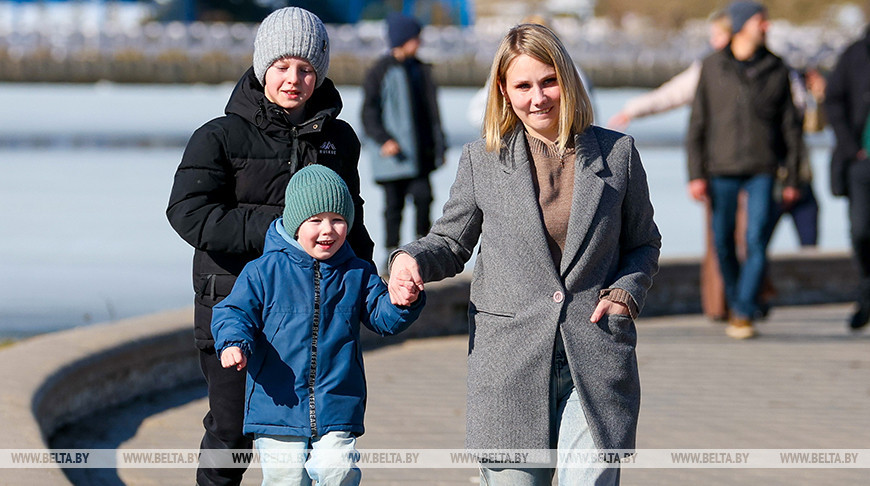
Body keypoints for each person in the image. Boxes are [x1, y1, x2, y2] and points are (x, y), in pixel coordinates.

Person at [389, 23, 661, 485]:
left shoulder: (618, 154)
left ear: (567, 80)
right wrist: (409, 259)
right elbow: (450, 242)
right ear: (503, 90)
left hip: (595, 356)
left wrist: (624, 294)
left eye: (549, 81)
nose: (538, 98)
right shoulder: (481, 159)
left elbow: (643, 243)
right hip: (508, 364)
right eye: (523, 86)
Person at [166, 7, 374, 485]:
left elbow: (352, 219)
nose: (293, 79)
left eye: (306, 68)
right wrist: (279, 230)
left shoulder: (339, 140)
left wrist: (369, 284)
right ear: (263, 67)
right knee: (232, 432)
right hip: (233, 305)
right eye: (282, 66)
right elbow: (188, 213)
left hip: (314, 317)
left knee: (316, 439)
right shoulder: (218, 136)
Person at [211, 165, 423, 485]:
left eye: (337, 220)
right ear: (296, 224)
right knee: (286, 479)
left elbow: (382, 318)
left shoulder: (357, 272)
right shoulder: (264, 270)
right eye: (315, 220)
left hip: (338, 401)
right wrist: (233, 342)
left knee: (337, 470)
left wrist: (403, 302)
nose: (328, 230)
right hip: (277, 405)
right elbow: (233, 312)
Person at [686, 1, 803, 339]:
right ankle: (739, 303)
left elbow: (791, 128)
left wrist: (793, 177)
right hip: (720, 168)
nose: (766, 26)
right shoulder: (711, 66)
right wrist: (695, 175)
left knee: (756, 239)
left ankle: (742, 310)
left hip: (763, 168)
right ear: (740, 25)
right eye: (759, 21)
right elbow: (697, 124)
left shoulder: (777, 68)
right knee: (722, 241)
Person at [360, 12, 446, 268]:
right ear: (403, 39)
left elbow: (432, 113)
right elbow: (368, 112)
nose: (419, 42)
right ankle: (391, 253)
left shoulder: (421, 70)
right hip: (393, 156)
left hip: (420, 153)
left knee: (424, 199)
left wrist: (439, 144)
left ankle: (422, 251)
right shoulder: (379, 71)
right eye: (415, 37)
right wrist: (384, 139)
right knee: (393, 206)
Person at [606, 9, 732, 132]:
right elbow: (672, 94)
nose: (713, 42)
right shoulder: (708, 68)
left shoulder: (735, 69)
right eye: (713, 36)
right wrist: (632, 110)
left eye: (719, 35)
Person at [824, 25, 870, 331]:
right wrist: (851, 147)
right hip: (860, 162)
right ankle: (866, 292)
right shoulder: (855, 54)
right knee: (861, 231)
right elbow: (833, 100)